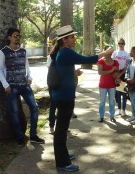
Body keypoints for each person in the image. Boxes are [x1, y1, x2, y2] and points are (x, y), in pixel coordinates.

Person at [52, 25, 113, 172]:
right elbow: (87, 59)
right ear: (64, 40)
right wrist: (105, 53)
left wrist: (74, 74)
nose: (74, 39)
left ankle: (64, 155)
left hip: (64, 96)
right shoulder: (66, 52)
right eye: (72, 37)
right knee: (61, 130)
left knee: (63, 129)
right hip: (64, 97)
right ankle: (62, 163)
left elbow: (64, 71)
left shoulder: (64, 52)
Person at [0, 27, 45, 145]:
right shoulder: (3, 52)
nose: (17, 38)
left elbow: (27, 67)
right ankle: (20, 137)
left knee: (34, 108)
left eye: (19, 36)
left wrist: (30, 77)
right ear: (9, 38)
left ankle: (33, 135)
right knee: (14, 112)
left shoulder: (23, 51)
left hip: (25, 85)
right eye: (15, 36)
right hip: (12, 87)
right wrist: (5, 85)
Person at [47, 43, 81, 134]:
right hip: (56, 86)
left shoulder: (66, 55)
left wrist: (74, 73)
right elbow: (54, 72)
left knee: (62, 110)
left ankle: (62, 127)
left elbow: (67, 71)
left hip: (65, 86)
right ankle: (52, 126)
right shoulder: (54, 57)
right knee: (54, 106)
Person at [97, 46, 119, 123]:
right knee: (102, 101)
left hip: (112, 85)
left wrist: (116, 74)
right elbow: (100, 72)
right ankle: (101, 116)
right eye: (108, 52)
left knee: (112, 101)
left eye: (111, 52)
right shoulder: (101, 61)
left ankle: (112, 116)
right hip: (103, 85)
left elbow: (117, 72)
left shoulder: (115, 62)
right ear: (105, 51)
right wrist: (111, 70)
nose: (110, 54)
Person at [112, 38, 130, 116]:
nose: (121, 45)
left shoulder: (127, 53)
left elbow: (127, 65)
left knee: (124, 92)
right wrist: (116, 74)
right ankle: (119, 109)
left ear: (124, 44)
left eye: (122, 43)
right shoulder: (115, 53)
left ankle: (123, 110)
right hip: (116, 73)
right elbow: (112, 63)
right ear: (118, 44)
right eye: (119, 43)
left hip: (123, 74)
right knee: (117, 93)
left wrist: (121, 74)